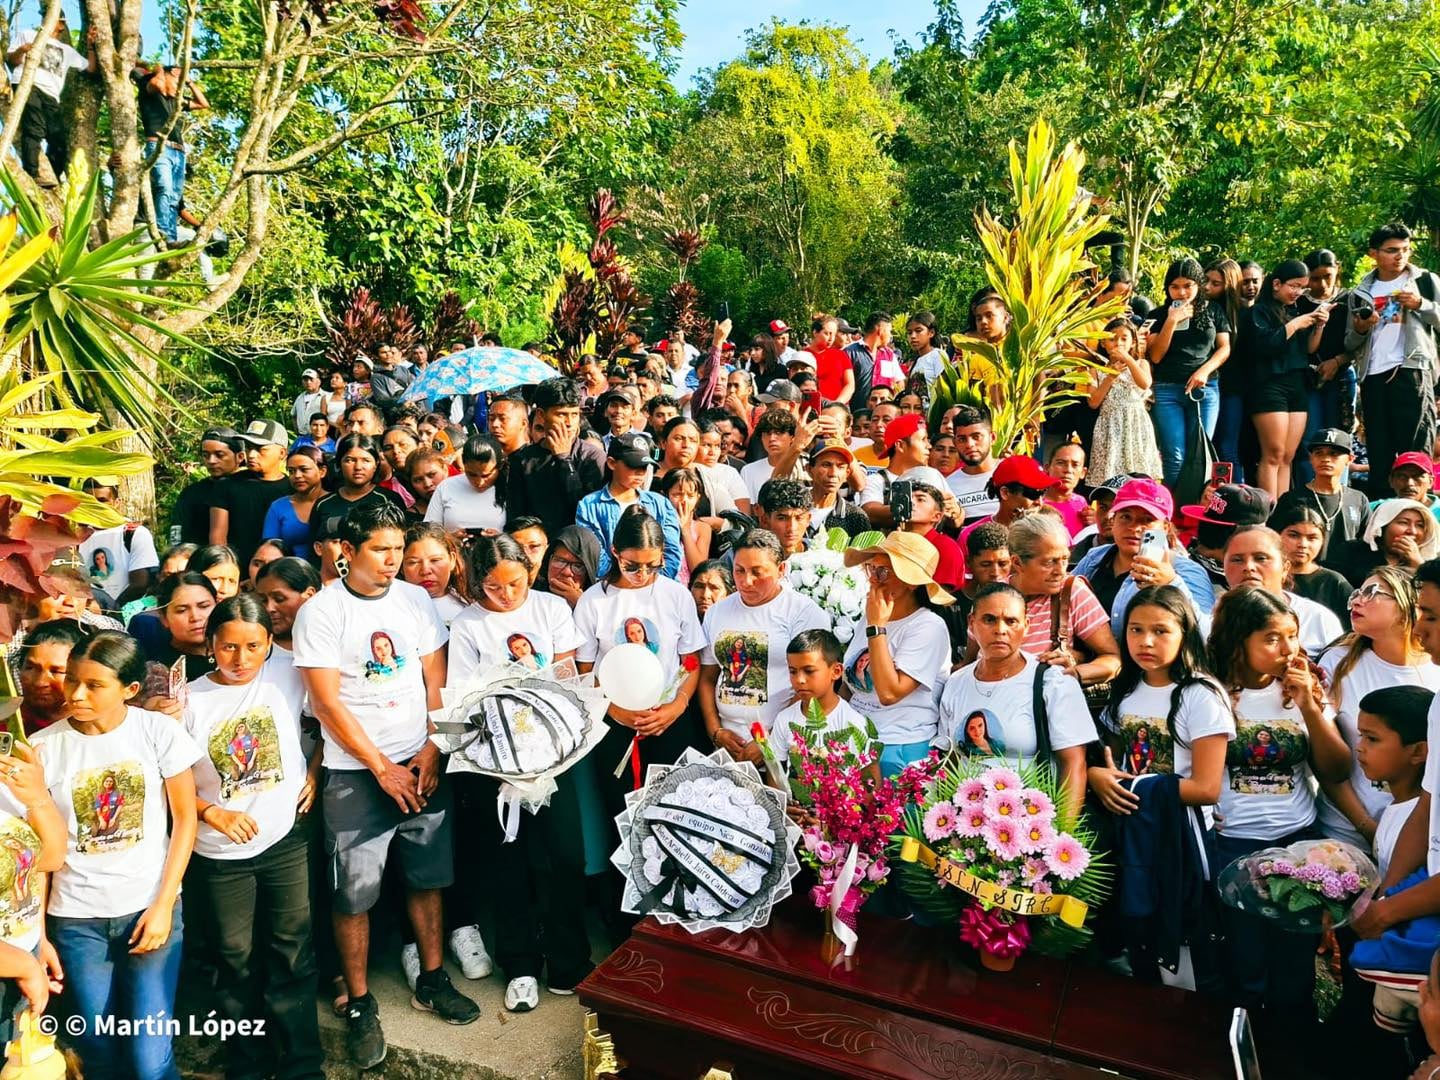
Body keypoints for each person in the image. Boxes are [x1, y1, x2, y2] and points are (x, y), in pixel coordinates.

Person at [291, 501, 478, 1068]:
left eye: (398, 549)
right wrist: (381, 766)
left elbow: (437, 679)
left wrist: (432, 748)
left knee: (427, 876)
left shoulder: (416, 600)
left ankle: (433, 978)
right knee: (354, 893)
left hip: (419, 760)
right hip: (357, 773)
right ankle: (360, 1003)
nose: (394, 561)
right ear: (345, 552)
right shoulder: (321, 613)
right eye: (381, 549)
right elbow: (326, 702)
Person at [35, 630, 200, 1080]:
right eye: (72, 680)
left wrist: (165, 905)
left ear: (129, 690)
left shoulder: (157, 732)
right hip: (76, 922)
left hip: (148, 911)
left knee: (151, 1059)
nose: (76, 694)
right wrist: (41, 934)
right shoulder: (44, 749)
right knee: (97, 1049)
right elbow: (42, 850)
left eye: (94, 685)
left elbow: (186, 819)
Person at [184, 596, 324, 1080]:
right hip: (220, 855)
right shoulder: (188, 700)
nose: (241, 659)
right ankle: (246, 1066)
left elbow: (334, 708)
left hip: (283, 842)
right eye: (227, 647)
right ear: (210, 646)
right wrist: (212, 812)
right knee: (235, 963)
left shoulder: (287, 673)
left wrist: (316, 768)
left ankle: (304, 1067)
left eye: (252, 646)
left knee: (293, 953)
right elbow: (170, 788)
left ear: (270, 644)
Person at [447, 535, 589, 1011]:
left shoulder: (551, 609)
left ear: (530, 569)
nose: (505, 595)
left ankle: (569, 961)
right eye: (492, 586)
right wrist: (500, 761)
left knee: (565, 857)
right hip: (497, 766)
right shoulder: (468, 625)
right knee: (510, 865)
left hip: (555, 756)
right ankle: (521, 965)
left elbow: (568, 677)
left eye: (514, 582)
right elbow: (464, 699)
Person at [1207, 586, 1349, 1023]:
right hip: (1233, 844)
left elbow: (1337, 768)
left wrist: (1308, 705)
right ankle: (1248, 1041)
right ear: (1238, 641)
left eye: (1292, 635)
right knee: (1245, 960)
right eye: (1271, 638)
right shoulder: (1209, 693)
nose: (1288, 649)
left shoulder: (1302, 690)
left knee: (1294, 961)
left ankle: (1292, 1042)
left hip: (1295, 843)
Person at [937, 583, 1094, 818]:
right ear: (972, 623)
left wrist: (1061, 834)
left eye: (1011, 621)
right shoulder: (956, 683)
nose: (1000, 629)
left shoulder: (1052, 680)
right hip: (966, 825)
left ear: (1026, 626)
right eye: (989, 620)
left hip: (1031, 826)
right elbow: (948, 759)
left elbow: (1073, 764)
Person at [1316, 568, 1439, 849]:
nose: (1357, 601)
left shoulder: (1436, 665)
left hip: (1421, 836)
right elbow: (1325, 763)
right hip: (1343, 835)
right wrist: (1367, 828)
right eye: (1356, 593)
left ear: (1409, 604)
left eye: (1371, 593)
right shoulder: (1336, 663)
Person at [699, 529, 827, 760]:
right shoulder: (717, 612)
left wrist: (771, 738)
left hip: (785, 744)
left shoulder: (803, 613)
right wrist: (715, 732)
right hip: (726, 745)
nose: (746, 581)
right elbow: (708, 677)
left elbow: (814, 685)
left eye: (758, 572)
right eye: (739, 571)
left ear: (781, 570)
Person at [841, 532, 953, 776]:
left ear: (911, 582)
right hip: (856, 744)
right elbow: (848, 685)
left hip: (899, 749)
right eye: (871, 569)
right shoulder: (871, 617)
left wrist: (876, 627)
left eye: (882, 572)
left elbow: (889, 693)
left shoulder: (929, 626)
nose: (873, 580)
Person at [1346, 223, 1440, 493]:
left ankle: (1420, 516)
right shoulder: (1360, 292)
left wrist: (1421, 304)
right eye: (1392, 251)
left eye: (1405, 250)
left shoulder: (1424, 281)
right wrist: (1362, 328)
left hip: (1412, 371)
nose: (1400, 256)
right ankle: (1381, 518)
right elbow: (1350, 341)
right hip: (1374, 375)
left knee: (1416, 453)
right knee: (1379, 452)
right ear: (1373, 253)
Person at [1001, 514, 1122, 691]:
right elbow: (972, 662)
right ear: (1017, 563)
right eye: (1049, 562)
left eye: (1064, 559)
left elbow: (1112, 659)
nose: (1060, 571)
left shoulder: (1071, 592)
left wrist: (1073, 673)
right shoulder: (994, 597)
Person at [1243, 259, 1330, 500]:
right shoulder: (1257, 312)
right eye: (1294, 286)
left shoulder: (1296, 312)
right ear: (1276, 284)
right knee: (1273, 453)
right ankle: (1268, 511)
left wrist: (1319, 326)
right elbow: (1267, 345)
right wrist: (1296, 324)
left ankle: (1282, 508)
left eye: (1302, 287)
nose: (1298, 292)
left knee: (1288, 456)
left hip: (1297, 384)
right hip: (1269, 385)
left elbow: (1309, 349)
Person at [1146, 258, 1233, 487]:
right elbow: (1155, 356)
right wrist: (1171, 321)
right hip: (1167, 390)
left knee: (1201, 451)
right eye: (1175, 286)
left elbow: (1224, 348)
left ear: (1199, 285)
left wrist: (1204, 371)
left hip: (1204, 389)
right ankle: (1174, 512)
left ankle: (1196, 506)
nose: (1182, 292)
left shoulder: (1213, 310)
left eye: (1188, 285)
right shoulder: (1158, 314)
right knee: (1174, 454)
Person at [1220, 525, 1343, 656]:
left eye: (1261, 558)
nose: (1248, 567)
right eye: (1237, 560)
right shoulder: (1208, 618)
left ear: (1285, 568)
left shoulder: (1318, 620)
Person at [575, 432, 682, 579]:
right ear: (612, 463)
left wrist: (650, 582)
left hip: (658, 587)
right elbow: (595, 554)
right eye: (633, 465)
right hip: (611, 587)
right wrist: (622, 582)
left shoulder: (660, 503)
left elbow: (672, 552)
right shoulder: (589, 505)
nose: (640, 472)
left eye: (645, 466)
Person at [507, 378, 606, 536]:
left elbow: (587, 511)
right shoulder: (523, 459)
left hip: (578, 544)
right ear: (541, 414)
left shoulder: (592, 457)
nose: (569, 422)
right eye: (561, 415)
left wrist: (564, 459)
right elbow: (516, 515)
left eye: (574, 415)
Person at [8, 14, 95, 183]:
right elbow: (11, 60)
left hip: (52, 95)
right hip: (29, 84)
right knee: (34, 128)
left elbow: (91, 68)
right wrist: (22, 50)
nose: (46, 19)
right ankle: (32, 174)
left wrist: (91, 45)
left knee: (59, 139)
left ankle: (53, 176)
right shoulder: (28, 34)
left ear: (61, 25)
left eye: (52, 17)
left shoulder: (66, 50)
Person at [768, 629, 870, 771]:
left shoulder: (854, 723)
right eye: (793, 671)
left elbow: (870, 785)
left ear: (836, 671)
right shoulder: (784, 719)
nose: (799, 680)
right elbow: (775, 773)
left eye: (809, 671)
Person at [132, 62, 210, 241]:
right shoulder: (148, 84)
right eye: (179, 77)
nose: (179, 83)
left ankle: (171, 239)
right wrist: (160, 69)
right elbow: (160, 85)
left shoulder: (175, 100)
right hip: (160, 146)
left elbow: (203, 103)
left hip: (179, 151)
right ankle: (163, 233)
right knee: (164, 188)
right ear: (171, 73)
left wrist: (189, 83)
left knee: (175, 195)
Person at [1269, 428, 1369, 564]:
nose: (1326, 459)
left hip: (1347, 579)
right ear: (1311, 458)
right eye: (1319, 453)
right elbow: (1274, 542)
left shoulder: (1359, 499)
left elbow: (1367, 543)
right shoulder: (1292, 499)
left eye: (1334, 454)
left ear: (1350, 459)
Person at [212, 420, 294, 571]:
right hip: (235, 572)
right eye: (249, 448)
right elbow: (218, 538)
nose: (251, 455)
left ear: (282, 453)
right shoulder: (227, 485)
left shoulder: (294, 489)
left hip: (281, 573)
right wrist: (227, 573)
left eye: (260, 449)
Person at [1088, 317, 1162, 481]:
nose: (1118, 343)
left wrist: (1128, 360)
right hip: (1109, 425)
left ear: (1133, 342)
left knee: (1138, 471)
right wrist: (1110, 376)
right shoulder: (1096, 369)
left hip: (1135, 422)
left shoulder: (1141, 363)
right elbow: (1093, 402)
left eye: (1124, 338)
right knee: (1110, 472)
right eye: (1112, 339)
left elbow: (1145, 383)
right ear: (1103, 343)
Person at [79, 478, 159, 609]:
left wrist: (112, 610)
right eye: (89, 501)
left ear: (117, 503)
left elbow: (140, 584)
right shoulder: (76, 538)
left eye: (102, 500)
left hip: (128, 613)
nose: (95, 506)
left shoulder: (134, 533)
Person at [310, 435, 407, 541]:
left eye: (366, 460)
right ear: (339, 463)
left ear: (376, 464)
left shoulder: (389, 500)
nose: (358, 467)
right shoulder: (323, 504)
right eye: (350, 460)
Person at [1272, 504, 1352, 625]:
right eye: (1294, 535)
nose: (1303, 544)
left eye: (1312, 538)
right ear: (1277, 536)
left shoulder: (1335, 583)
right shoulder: (1267, 576)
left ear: (1323, 541)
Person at [1338, 498, 1440, 586]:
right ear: (1382, 526)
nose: (1412, 531)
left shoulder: (1432, 564)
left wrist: (1417, 564)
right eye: (1403, 523)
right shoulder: (1351, 552)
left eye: (1420, 525)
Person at [172, 428, 245, 547]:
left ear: (240, 457)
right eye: (206, 455)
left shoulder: (251, 489)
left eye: (219, 455)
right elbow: (177, 533)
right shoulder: (191, 493)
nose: (211, 461)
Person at [858, 413, 932, 527]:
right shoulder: (876, 480)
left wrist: (956, 511)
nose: (929, 446)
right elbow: (869, 511)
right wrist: (912, 507)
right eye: (923, 440)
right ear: (900, 446)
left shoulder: (932, 477)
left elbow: (957, 518)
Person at [423, 435, 505, 532]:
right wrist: (451, 539)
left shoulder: (509, 488)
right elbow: (429, 533)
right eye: (472, 474)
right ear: (463, 465)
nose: (479, 482)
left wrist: (500, 538)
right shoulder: (446, 487)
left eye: (486, 476)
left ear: (499, 467)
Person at [262, 446, 326, 559]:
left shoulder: (336, 502)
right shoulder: (278, 507)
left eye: (304, 469)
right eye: (291, 471)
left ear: (322, 471)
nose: (297, 476)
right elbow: (269, 549)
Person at [400, 523, 469, 626]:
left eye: (435, 560)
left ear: (452, 560)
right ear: (401, 567)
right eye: (414, 562)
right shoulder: (394, 609)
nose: (425, 570)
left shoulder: (473, 605)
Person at [805, 438, 869, 540]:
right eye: (826, 465)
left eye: (840, 467)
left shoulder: (855, 517)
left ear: (847, 474)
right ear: (809, 469)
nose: (833, 473)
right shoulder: (793, 508)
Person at [946, 405, 1001, 521]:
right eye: (962, 439)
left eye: (976, 437)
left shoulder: (1013, 472)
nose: (969, 444)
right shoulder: (948, 486)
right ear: (954, 442)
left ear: (993, 437)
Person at [656, 468, 710, 584]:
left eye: (690, 496)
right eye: (677, 495)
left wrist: (685, 530)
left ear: (698, 498)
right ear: (664, 496)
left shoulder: (702, 528)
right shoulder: (656, 525)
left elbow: (698, 569)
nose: (684, 500)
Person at [541, 526, 599, 610]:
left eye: (578, 566)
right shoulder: (528, 597)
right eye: (560, 561)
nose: (566, 572)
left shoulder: (600, 605)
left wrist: (583, 605)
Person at [1043, 440, 1089, 538]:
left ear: (1083, 473)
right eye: (1061, 463)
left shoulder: (1082, 504)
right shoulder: (1036, 503)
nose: (1068, 470)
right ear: (1047, 468)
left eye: (1075, 465)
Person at [906, 311, 949, 391]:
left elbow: (944, 388)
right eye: (909, 333)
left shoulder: (938, 355)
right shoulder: (916, 361)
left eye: (918, 331)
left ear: (931, 333)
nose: (913, 336)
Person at [291, 369, 325, 436]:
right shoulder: (299, 398)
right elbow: (293, 415)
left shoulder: (326, 397)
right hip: (302, 437)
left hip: (319, 437)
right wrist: (297, 431)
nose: (308, 382)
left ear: (319, 381)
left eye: (311, 379)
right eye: (305, 380)